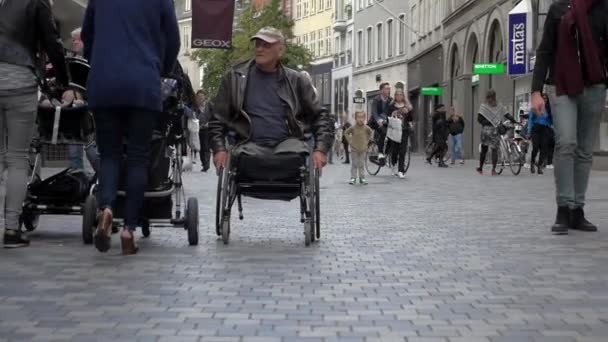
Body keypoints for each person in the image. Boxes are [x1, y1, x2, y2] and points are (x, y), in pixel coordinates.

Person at [82, 0, 180, 255]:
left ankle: (106, 209)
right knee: (138, 157)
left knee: (110, 154)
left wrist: (99, 62)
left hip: (104, 83)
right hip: (142, 83)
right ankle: (129, 229)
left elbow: (87, 35)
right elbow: (173, 39)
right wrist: (161, 69)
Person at [209, 27, 334, 177]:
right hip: (248, 145)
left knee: (296, 154)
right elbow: (218, 119)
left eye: (266, 45)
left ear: (280, 51)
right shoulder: (235, 78)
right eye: (257, 44)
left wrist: (320, 150)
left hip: (288, 145)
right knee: (243, 156)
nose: (260, 49)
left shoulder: (297, 80)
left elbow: (320, 116)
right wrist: (219, 150)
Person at [531, 0, 607, 235]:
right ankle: (563, 208)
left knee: (584, 150)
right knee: (566, 143)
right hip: (561, 85)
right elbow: (545, 50)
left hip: (594, 86)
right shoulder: (557, 8)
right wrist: (536, 91)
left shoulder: (602, 7)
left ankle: (577, 210)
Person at [0, 0, 69, 248]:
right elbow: (53, 43)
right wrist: (64, 81)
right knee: (17, 158)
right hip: (20, 80)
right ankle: (10, 229)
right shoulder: (35, 1)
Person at [476, 90, 514, 175]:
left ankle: (481, 168)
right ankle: (493, 170)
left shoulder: (484, 106)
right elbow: (507, 114)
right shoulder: (498, 106)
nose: (489, 100)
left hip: (486, 130)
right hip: (494, 130)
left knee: (485, 150)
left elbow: (479, 119)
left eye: (490, 98)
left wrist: (487, 122)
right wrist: (512, 119)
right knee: (494, 150)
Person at [387, 89, 414, 178]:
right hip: (395, 130)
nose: (399, 96)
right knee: (395, 150)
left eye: (401, 94)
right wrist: (394, 113)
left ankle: (401, 170)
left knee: (402, 151)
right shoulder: (391, 106)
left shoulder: (407, 106)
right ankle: (393, 165)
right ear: (395, 96)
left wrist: (410, 123)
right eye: (397, 94)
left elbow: (410, 118)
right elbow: (388, 117)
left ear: (403, 96)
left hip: (404, 130)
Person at [528, 93, 553, 175]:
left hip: (545, 129)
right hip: (536, 129)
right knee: (535, 147)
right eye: (543, 98)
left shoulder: (549, 109)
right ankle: (532, 162)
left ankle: (539, 166)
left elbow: (551, 121)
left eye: (546, 99)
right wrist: (529, 131)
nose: (544, 100)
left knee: (544, 148)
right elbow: (530, 120)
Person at [344, 111, 372, 185]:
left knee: (361, 164)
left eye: (362, 117)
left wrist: (367, 141)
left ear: (364, 118)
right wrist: (350, 141)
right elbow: (346, 132)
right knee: (354, 164)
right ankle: (353, 177)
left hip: (363, 149)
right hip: (354, 149)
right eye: (358, 117)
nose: (360, 119)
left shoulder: (366, 128)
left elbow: (371, 133)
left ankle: (362, 178)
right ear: (355, 118)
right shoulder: (353, 127)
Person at [370, 82, 393, 160]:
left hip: (386, 121)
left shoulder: (390, 100)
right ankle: (380, 152)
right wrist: (378, 120)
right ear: (381, 90)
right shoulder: (376, 99)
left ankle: (387, 153)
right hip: (375, 122)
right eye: (386, 88)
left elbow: (394, 110)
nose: (388, 90)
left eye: (389, 89)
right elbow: (374, 111)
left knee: (392, 134)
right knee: (383, 132)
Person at [426, 104, 449, 168]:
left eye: (444, 108)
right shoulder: (436, 114)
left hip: (442, 134)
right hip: (438, 134)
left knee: (440, 147)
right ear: (438, 109)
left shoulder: (442, 114)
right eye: (442, 108)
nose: (444, 109)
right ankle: (440, 162)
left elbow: (444, 123)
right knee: (444, 147)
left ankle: (430, 157)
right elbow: (435, 125)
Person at [195, 90, 211, 172]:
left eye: (201, 97)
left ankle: (206, 164)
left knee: (206, 146)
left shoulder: (210, 105)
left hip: (208, 129)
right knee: (201, 147)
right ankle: (204, 162)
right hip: (199, 129)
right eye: (198, 97)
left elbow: (214, 116)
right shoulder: (195, 107)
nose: (200, 99)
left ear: (205, 97)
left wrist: (209, 123)